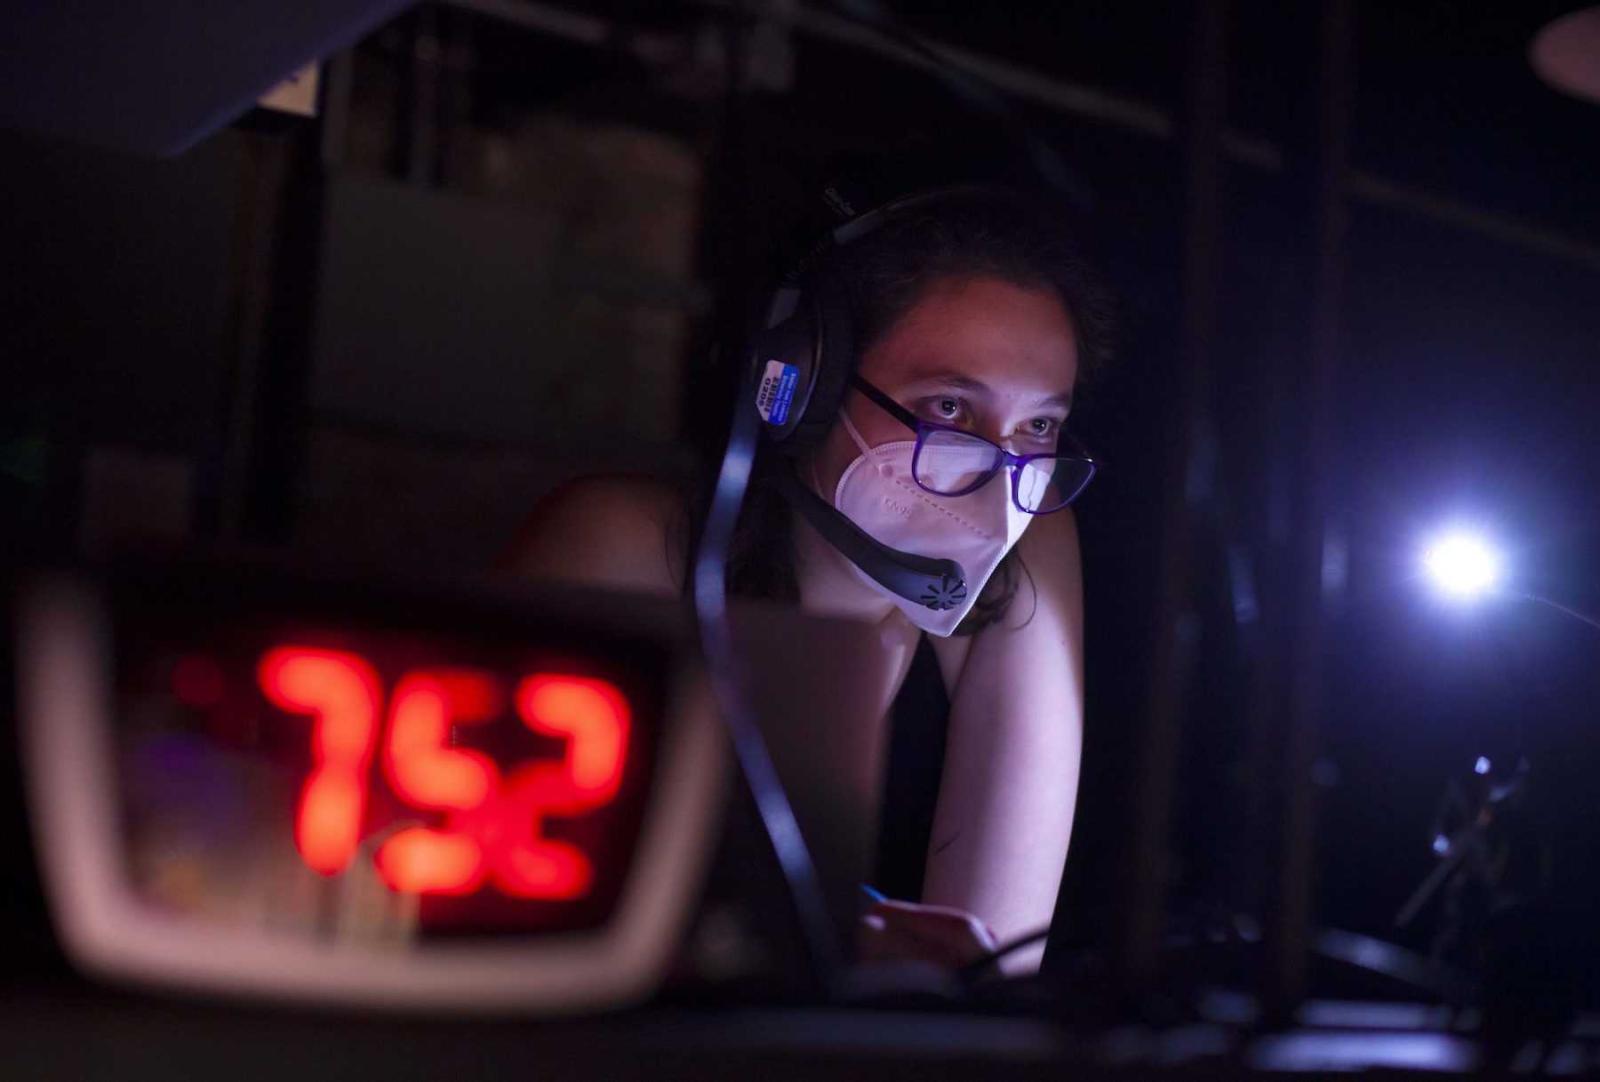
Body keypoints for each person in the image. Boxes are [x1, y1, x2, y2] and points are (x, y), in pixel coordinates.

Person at [513, 186, 1111, 974]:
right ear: (805, 388)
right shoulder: (623, 547)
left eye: (1038, 425)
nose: (1003, 483)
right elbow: (513, 930)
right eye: (950, 407)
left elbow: (990, 968)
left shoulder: (1036, 539)